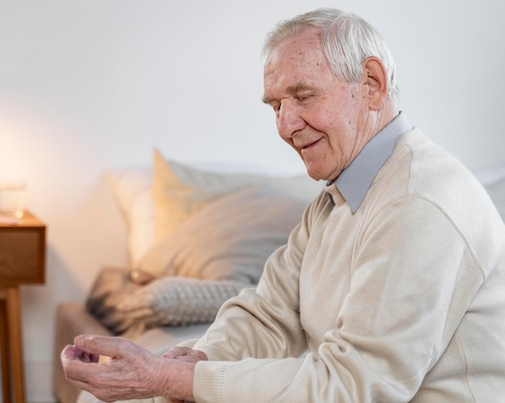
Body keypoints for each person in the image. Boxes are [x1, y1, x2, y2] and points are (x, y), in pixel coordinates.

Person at [61, 7, 505, 402]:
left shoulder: (417, 202)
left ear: (372, 84)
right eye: (275, 105)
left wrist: (171, 382)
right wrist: (191, 362)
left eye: (304, 96)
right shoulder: (339, 195)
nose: (286, 125)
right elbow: (269, 312)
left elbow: (357, 388)